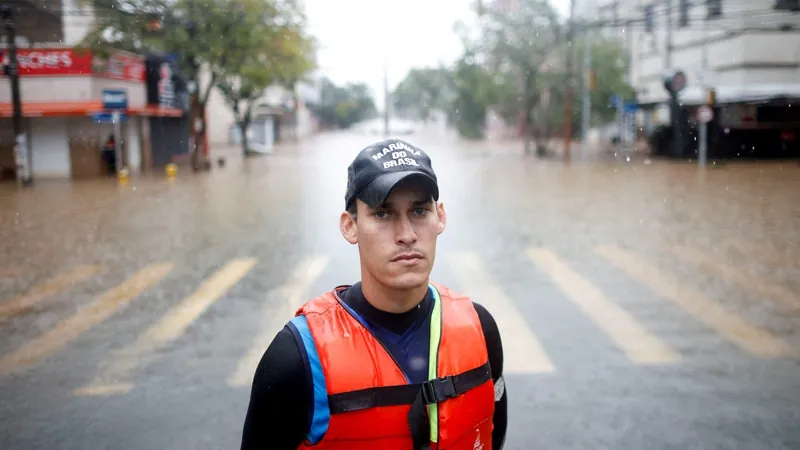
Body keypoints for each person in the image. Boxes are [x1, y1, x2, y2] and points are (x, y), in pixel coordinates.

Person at [240, 139, 507, 450]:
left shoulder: (481, 330)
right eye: (382, 214)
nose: (406, 235)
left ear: (441, 217)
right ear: (350, 226)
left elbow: (493, 430)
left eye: (419, 210)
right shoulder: (295, 359)